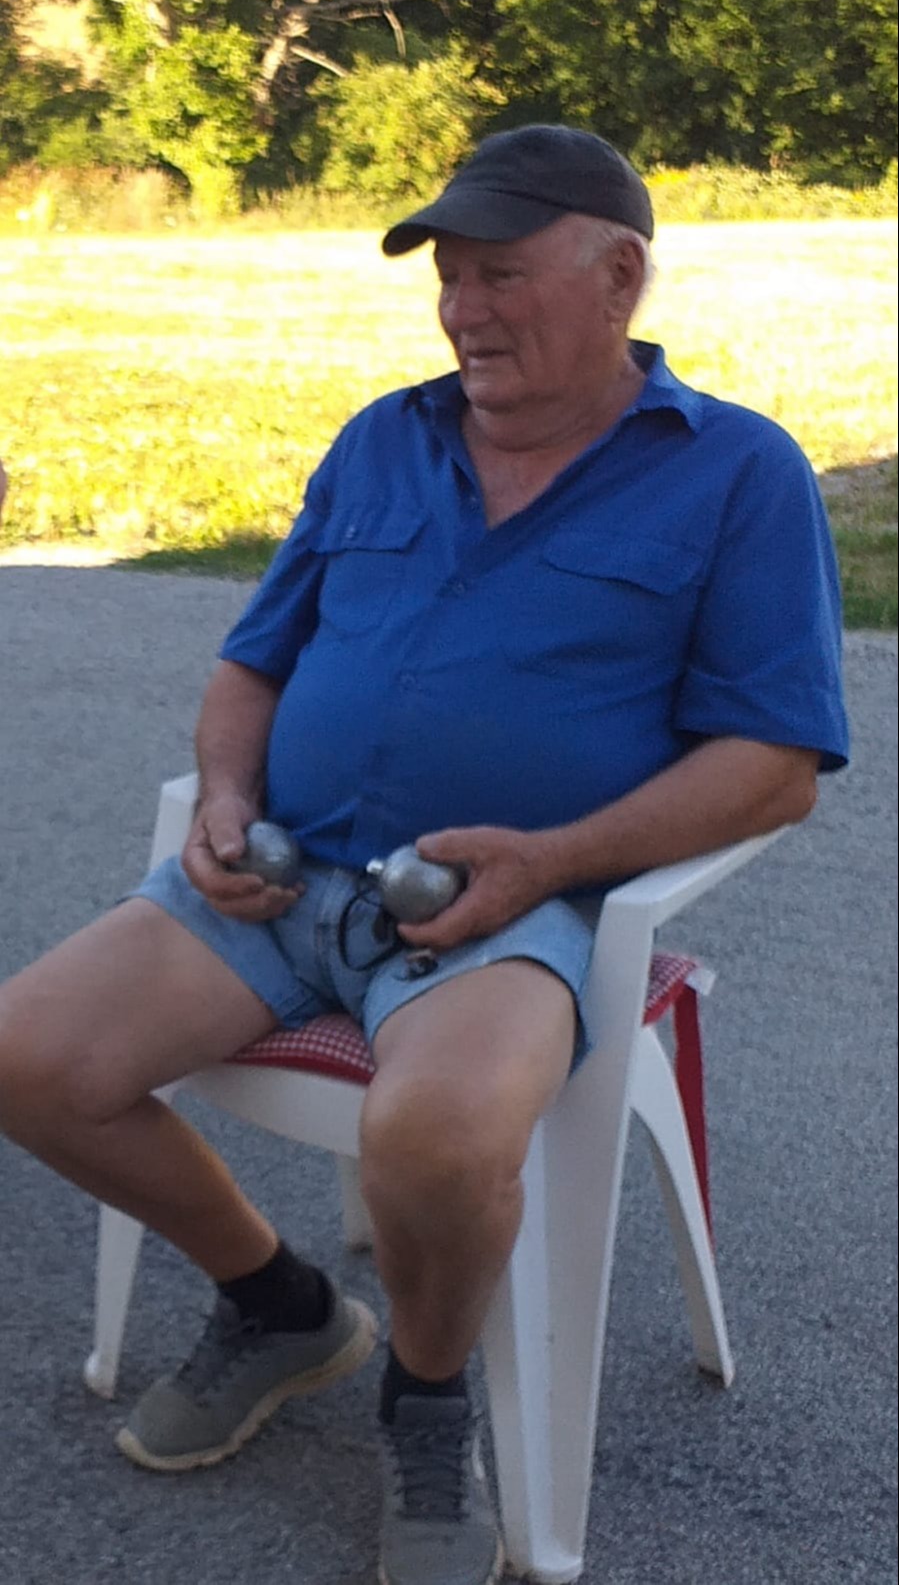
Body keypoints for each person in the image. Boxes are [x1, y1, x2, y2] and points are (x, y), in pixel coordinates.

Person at [0, 125, 849, 1585]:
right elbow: (252, 665)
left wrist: (556, 858)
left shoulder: (735, 472)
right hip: (281, 882)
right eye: (450, 277)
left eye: (501, 275)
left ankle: (428, 1388)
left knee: (440, 1140)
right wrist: (220, 801)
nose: (463, 310)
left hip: (511, 910)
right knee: (26, 1057)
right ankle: (280, 1308)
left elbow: (774, 765)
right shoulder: (384, 437)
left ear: (620, 277)